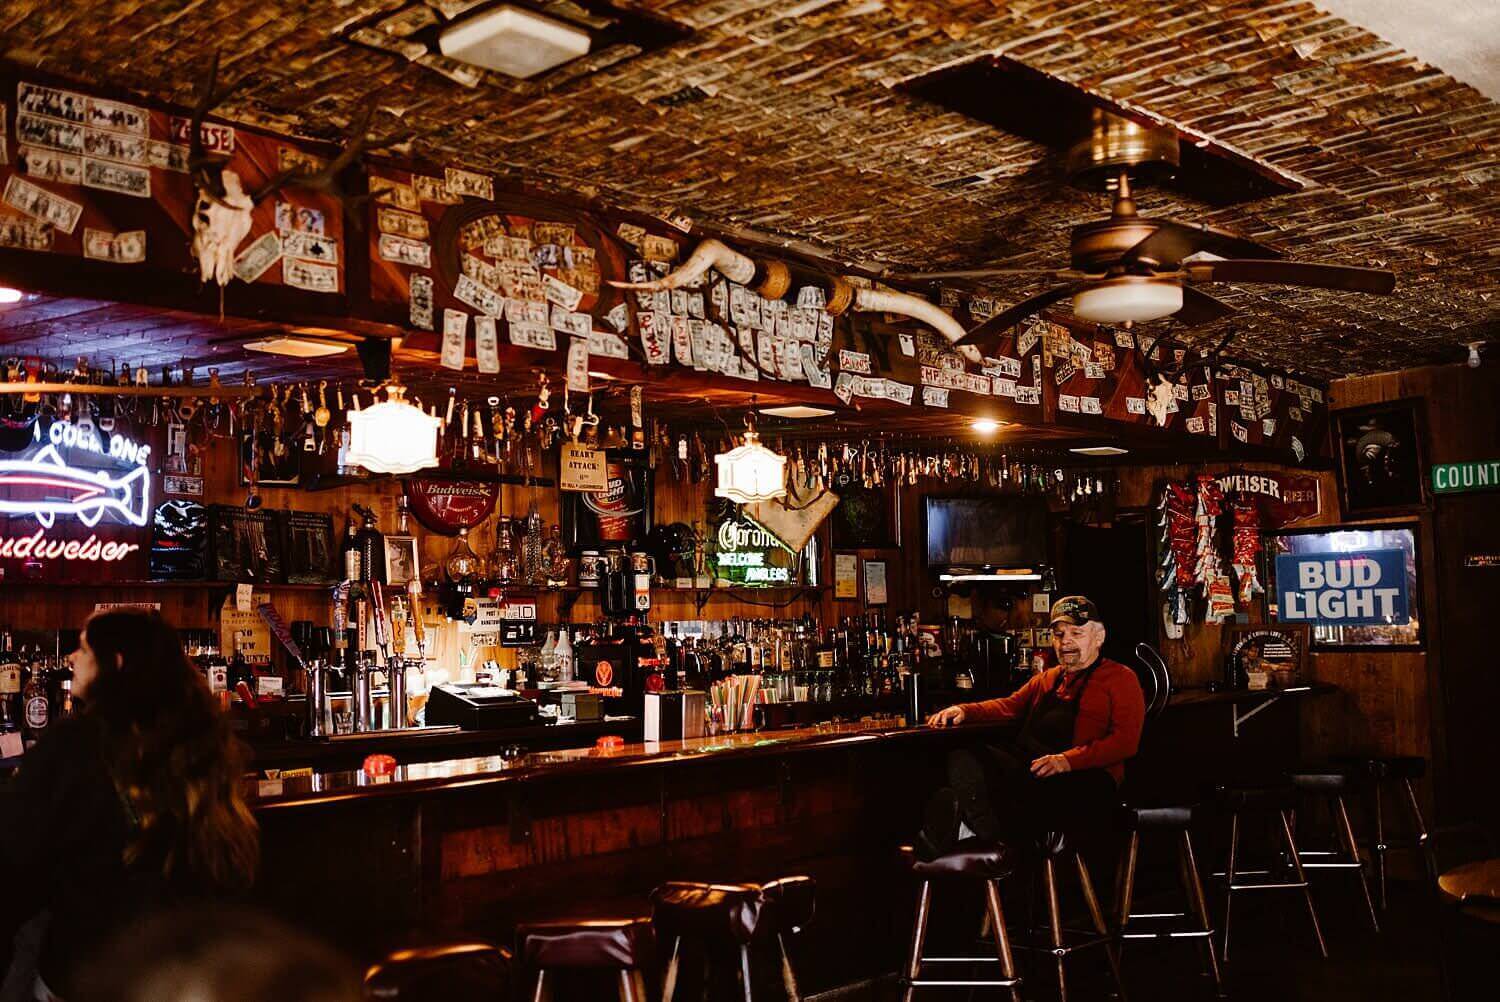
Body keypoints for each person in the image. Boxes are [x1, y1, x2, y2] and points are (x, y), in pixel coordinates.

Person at [0, 611, 259, 1001]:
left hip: (91, 971)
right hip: (185, 973)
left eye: (85, 648)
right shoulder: (202, 741)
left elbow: (13, 862)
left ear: (115, 662)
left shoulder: (75, 744)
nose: (71, 658)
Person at [917, 596, 1144, 859]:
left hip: (1088, 780)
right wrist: (964, 710)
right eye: (1059, 635)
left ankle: (963, 829)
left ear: (1099, 636)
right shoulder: (1049, 678)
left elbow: (1126, 742)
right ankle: (971, 827)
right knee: (964, 756)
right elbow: (1009, 706)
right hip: (1036, 771)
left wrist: (1067, 761)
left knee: (1022, 789)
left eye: (1076, 633)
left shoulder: (1121, 678)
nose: (1065, 641)